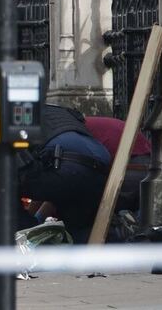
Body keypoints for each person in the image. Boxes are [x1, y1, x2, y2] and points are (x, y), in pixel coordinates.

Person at [16, 104, 111, 243]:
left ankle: (29, 245)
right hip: (101, 165)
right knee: (78, 228)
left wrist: (29, 226)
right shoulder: (60, 113)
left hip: (64, 164)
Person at [85, 116, 151, 211]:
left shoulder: (74, 130)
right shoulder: (78, 124)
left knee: (108, 212)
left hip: (132, 164)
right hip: (143, 160)